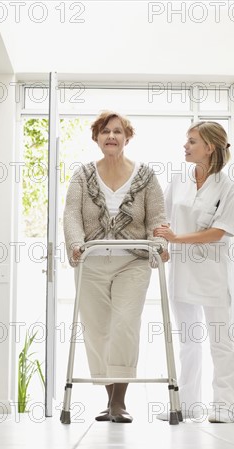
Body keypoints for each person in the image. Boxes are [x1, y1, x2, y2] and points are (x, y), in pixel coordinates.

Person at [63, 111, 168, 423]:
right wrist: (75, 243)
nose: (111, 136)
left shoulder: (146, 176)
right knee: (97, 329)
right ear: (96, 138)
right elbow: (70, 214)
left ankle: (120, 401)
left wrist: (159, 245)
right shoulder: (82, 175)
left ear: (127, 137)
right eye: (105, 131)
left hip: (132, 262)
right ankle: (109, 400)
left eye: (118, 131)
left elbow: (157, 217)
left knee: (124, 323)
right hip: (91, 261)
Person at [154, 121, 234, 423]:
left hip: (212, 272)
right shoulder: (178, 181)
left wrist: (177, 239)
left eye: (192, 141)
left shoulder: (227, 187)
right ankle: (187, 403)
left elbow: (219, 232)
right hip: (181, 270)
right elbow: (162, 220)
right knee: (189, 339)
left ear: (210, 147)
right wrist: (162, 246)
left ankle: (225, 405)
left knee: (220, 339)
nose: (185, 146)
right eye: (186, 140)